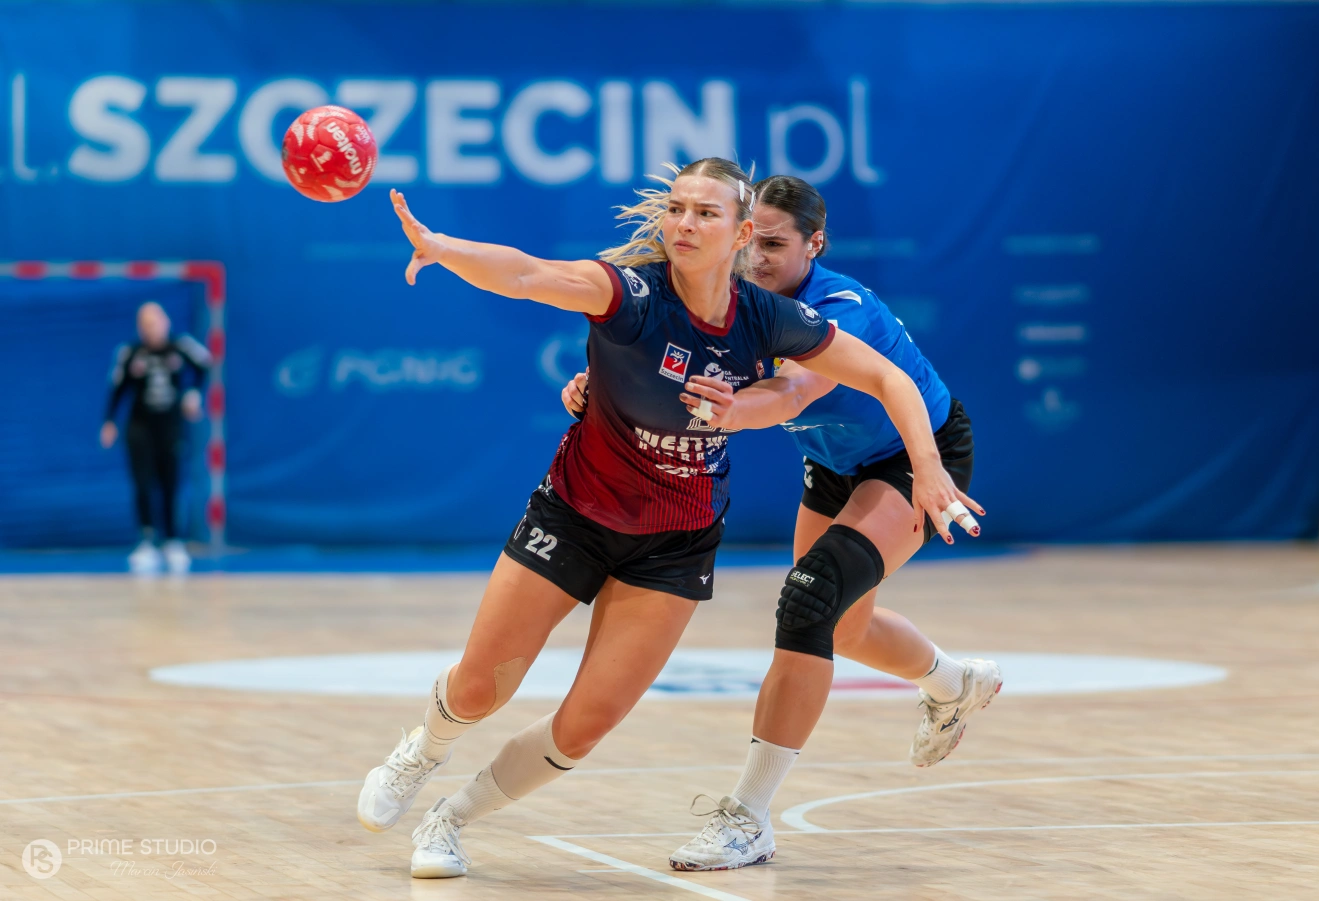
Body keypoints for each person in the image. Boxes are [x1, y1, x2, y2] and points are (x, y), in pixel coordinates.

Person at [355, 159, 979, 880]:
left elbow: (862, 381)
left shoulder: (773, 314)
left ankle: (450, 818)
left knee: (587, 725)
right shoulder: (631, 293)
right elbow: (528, 274)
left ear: (739, 233)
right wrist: (443, 248)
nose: (684, 223)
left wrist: (920, 467)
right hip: (579, 512)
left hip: (676, 539)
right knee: (478, 689)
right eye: (676, 208)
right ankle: (422, 750)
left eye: (705, 213)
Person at [560, 175, 1000, 872]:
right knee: (843, 627)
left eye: (774, 245)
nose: (756, 258)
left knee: (809, 602)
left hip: (914, 456)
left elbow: (793, 390)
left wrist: (734, 410)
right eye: (750, 242)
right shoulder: (732, 297)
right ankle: (955, 683)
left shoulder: (839, 308)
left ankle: (748, 817)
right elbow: (659, 350)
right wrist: (599, 384)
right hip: (834, 461)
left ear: (814, 244)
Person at [100, 302, 212, 574]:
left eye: (155, 322)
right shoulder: (130, 352)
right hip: (140, 427)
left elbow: (205, 365)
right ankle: (147, 540)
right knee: (142, 483)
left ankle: (173, 540)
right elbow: (117, 387)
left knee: (170, 482)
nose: (151, 329)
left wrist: (194, 394)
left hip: (169, 426)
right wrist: (109, 420)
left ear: (166, 322)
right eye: (145, 324)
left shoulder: (181, 346)